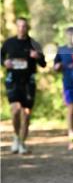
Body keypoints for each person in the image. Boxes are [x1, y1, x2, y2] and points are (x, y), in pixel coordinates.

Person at [1, 16, 46, 154]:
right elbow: (1, 56)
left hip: (28, 83)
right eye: (19, 26)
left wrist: (37, 57)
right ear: (16, 27)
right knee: (15, 111)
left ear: (28, 28)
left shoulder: (34, 44)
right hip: (13, 80)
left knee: (26, 114)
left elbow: (43, 64)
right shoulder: (9, 42)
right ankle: (16, 137)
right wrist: (4, 62)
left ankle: (22, 142)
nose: (21, 28)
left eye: (24, 26)